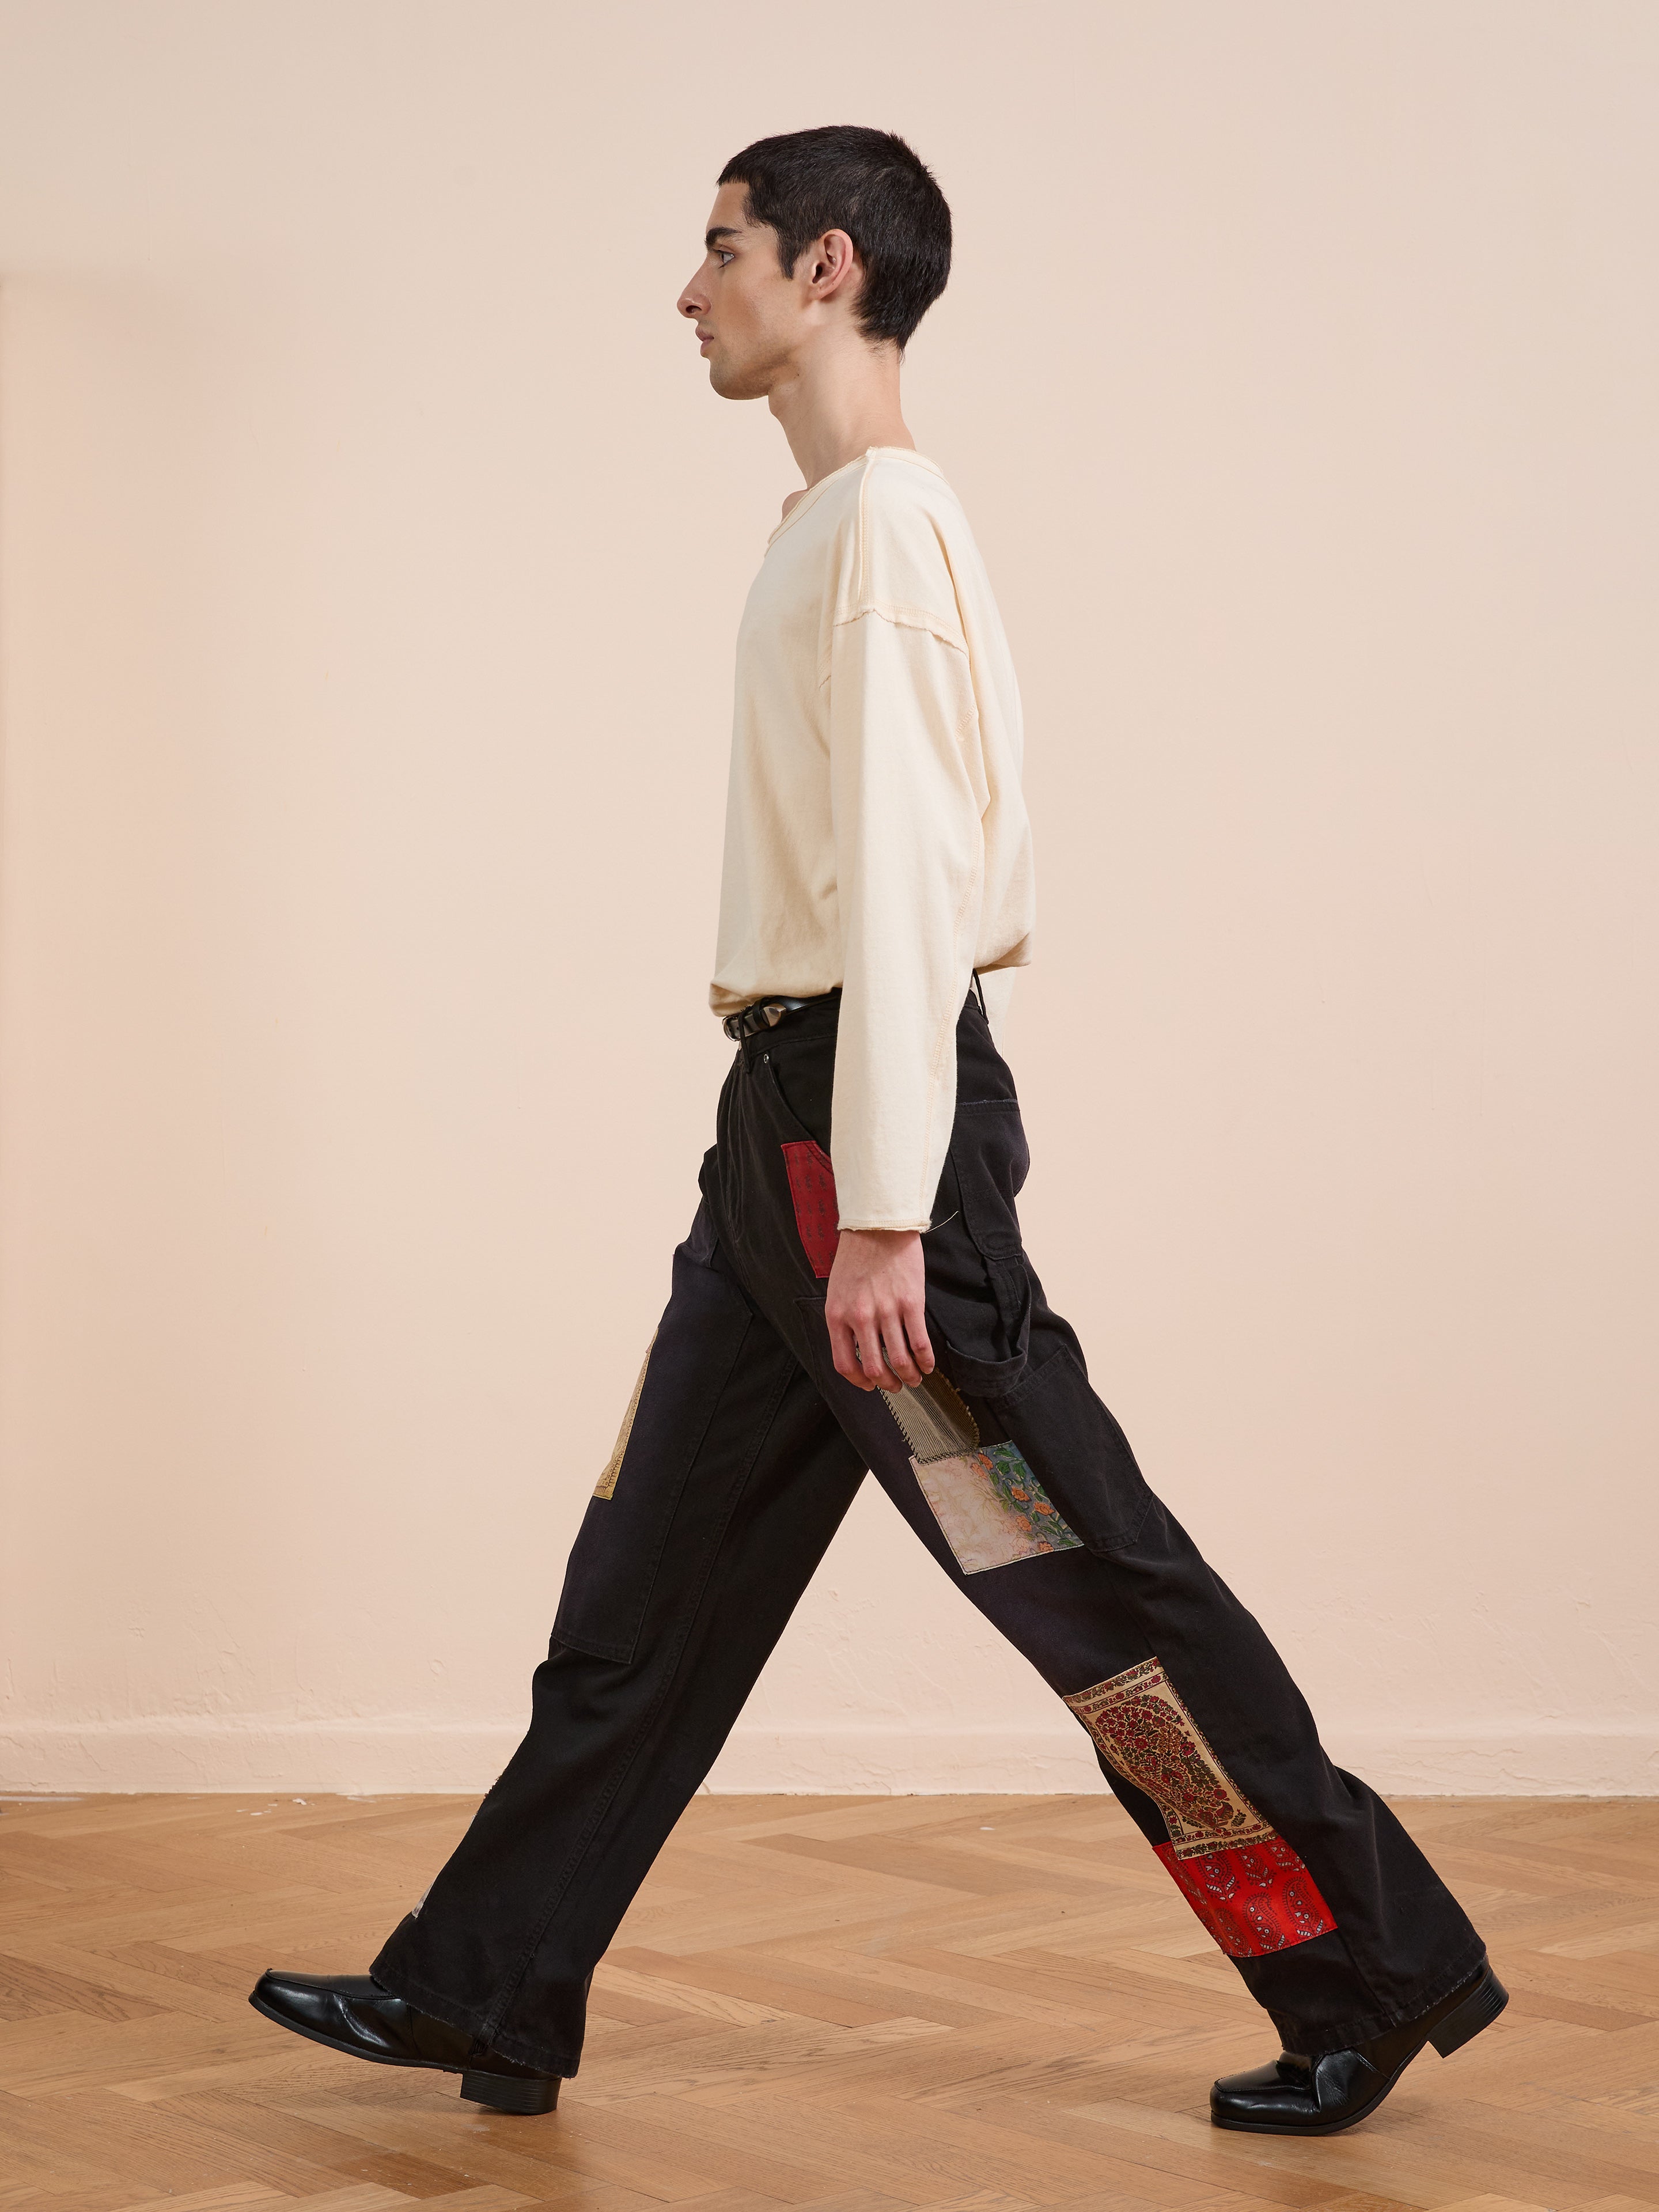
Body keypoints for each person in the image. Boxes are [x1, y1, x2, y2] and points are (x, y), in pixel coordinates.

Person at [249, 124, 1506, 2138]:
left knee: (1088, 1588)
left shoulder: (886, 531)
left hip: (863, 1149)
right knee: (642, 1595)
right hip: (788, 1137)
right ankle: (484, 1985)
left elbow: (916, 892)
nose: (690, 290)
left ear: (826, 268)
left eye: (722, 248)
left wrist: (894, 1212)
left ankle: (1363, 1969)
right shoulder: (826, 529)